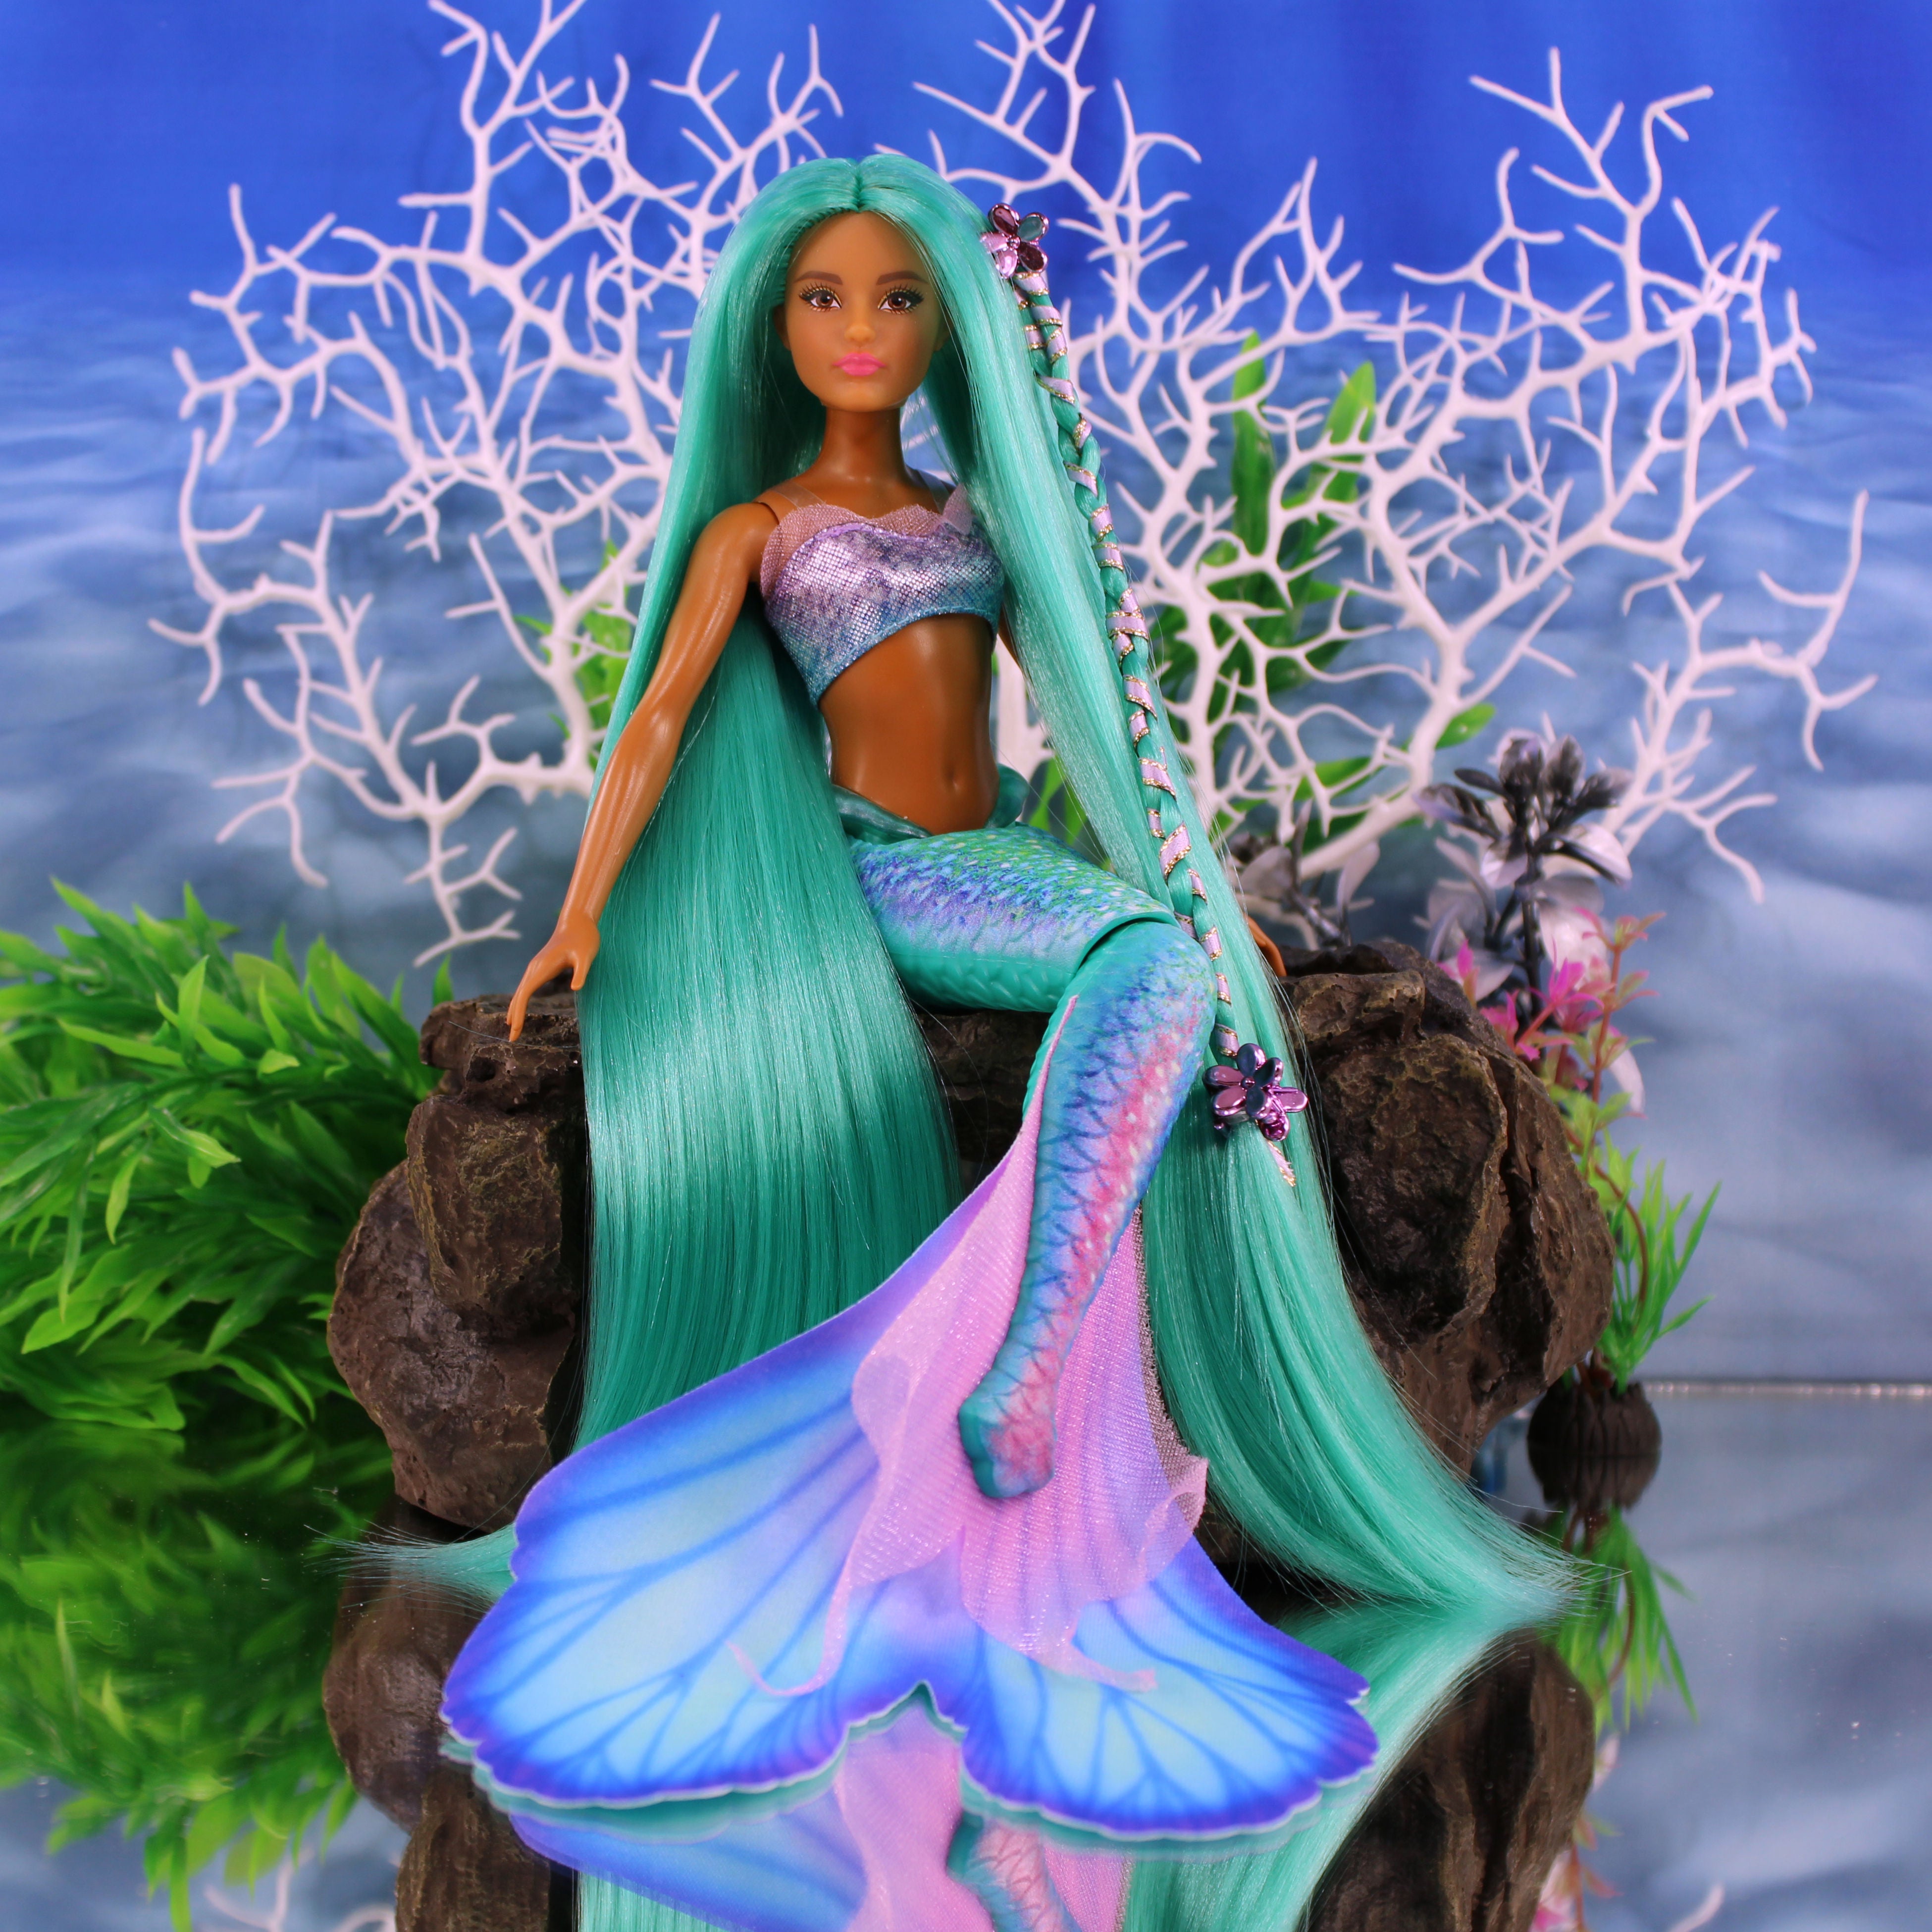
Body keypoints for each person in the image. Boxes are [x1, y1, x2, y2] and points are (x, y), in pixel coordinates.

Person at [440, 156, 1557, 1875]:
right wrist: (589, 906)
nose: (861, 331)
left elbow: (1102, 713)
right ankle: (1029, 1365)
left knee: (1167, 958)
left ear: (948, 321)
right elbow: (660, 715)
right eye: (825, 300)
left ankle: (1035, 1355)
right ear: (774, 326)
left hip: (1005, 859)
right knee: (1157, 972)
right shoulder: (761, 529)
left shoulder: (978, 519)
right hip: (876, 872)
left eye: (898, 299)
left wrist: (1189, 876)